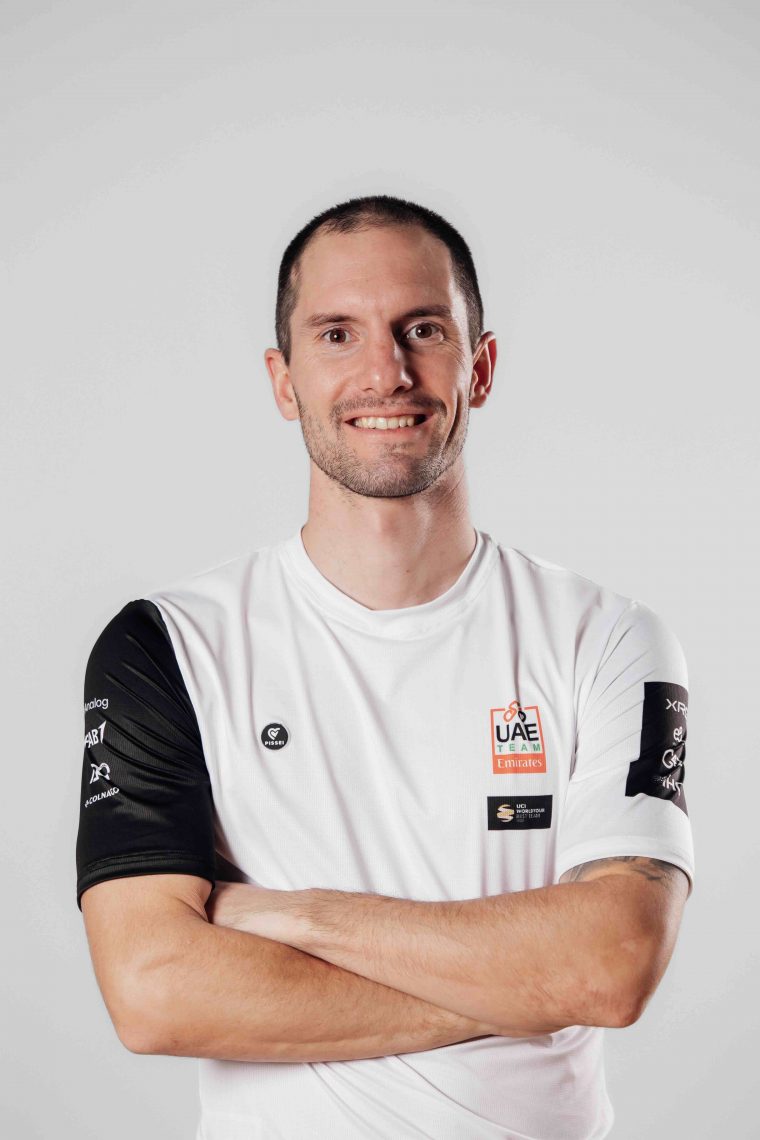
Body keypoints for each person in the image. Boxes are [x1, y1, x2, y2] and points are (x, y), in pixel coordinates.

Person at [75, 194, 693, 1140]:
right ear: (283, 381)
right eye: (337, 334)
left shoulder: (609, 639)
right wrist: (528, 986)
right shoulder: (169, 645)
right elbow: (154, 992)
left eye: (424, 329)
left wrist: (300, 917)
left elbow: (611, 965)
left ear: (480, 367)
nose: (385, 373)